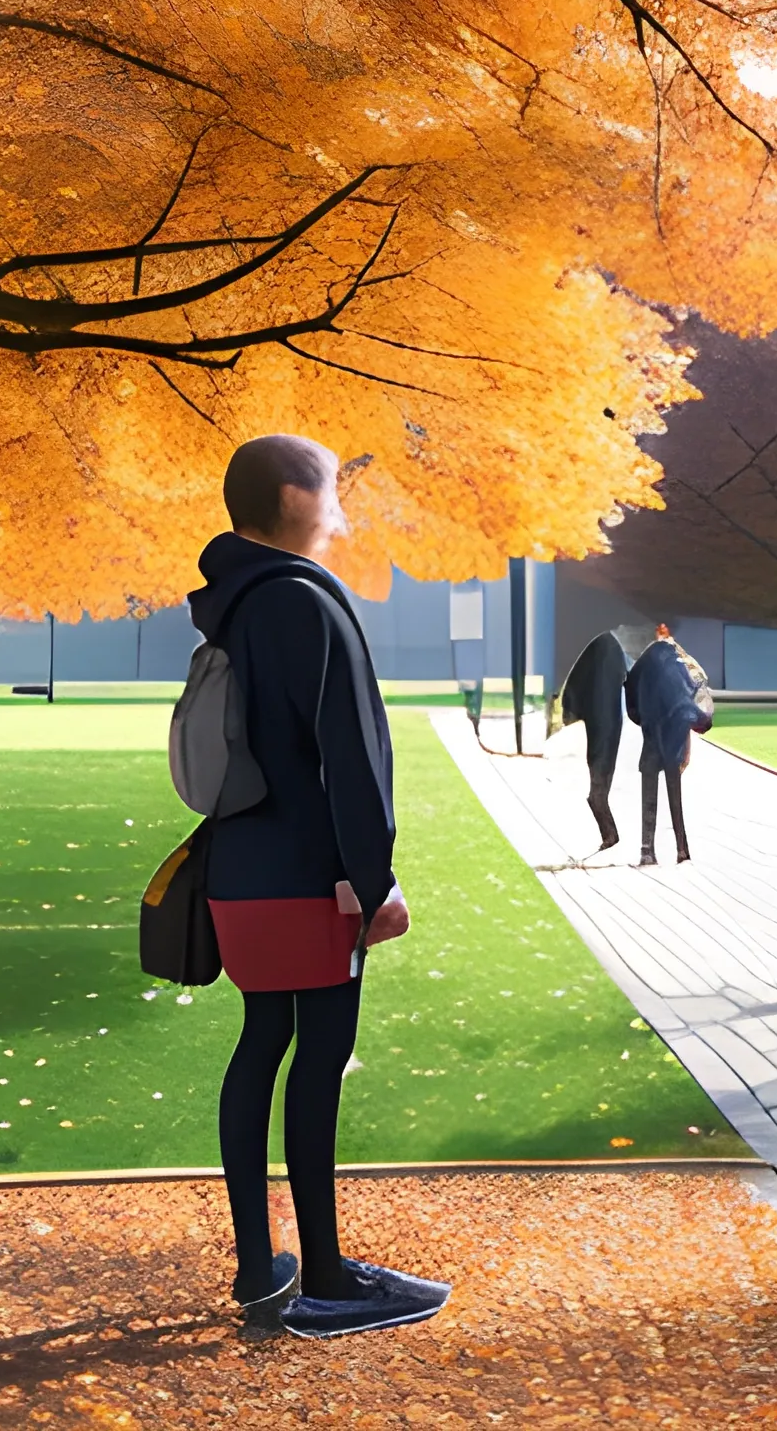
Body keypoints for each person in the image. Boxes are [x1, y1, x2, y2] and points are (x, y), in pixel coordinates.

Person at [189, 434, 451, 1338]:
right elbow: (352, 758)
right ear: (296, 494)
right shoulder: (304, 601)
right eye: (332, 489)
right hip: (312, 877)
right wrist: (374, 882)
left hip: (238, 870)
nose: (340, 507)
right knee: (320, 1057)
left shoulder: (234, 603)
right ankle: (328, 1278)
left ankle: (260, 1269)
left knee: (262, 1041)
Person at [624, 625, 712, 867]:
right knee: (676, 798)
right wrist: (694, 729)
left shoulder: (642, 665)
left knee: (648, 798)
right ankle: (681, 850)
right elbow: (694, 701)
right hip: (673, 740)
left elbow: (630, 697)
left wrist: (645, 721)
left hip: (652, 738)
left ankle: (647, 851)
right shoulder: (681, 663)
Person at [559, 631, 630, 849]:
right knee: (598, 789)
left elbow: (575, 682)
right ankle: (610, 835)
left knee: (597, 792)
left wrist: (569, 710)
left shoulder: (596, 648)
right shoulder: (610, 649)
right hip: (608, 724)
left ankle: (610, 836)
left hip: (600, 724)